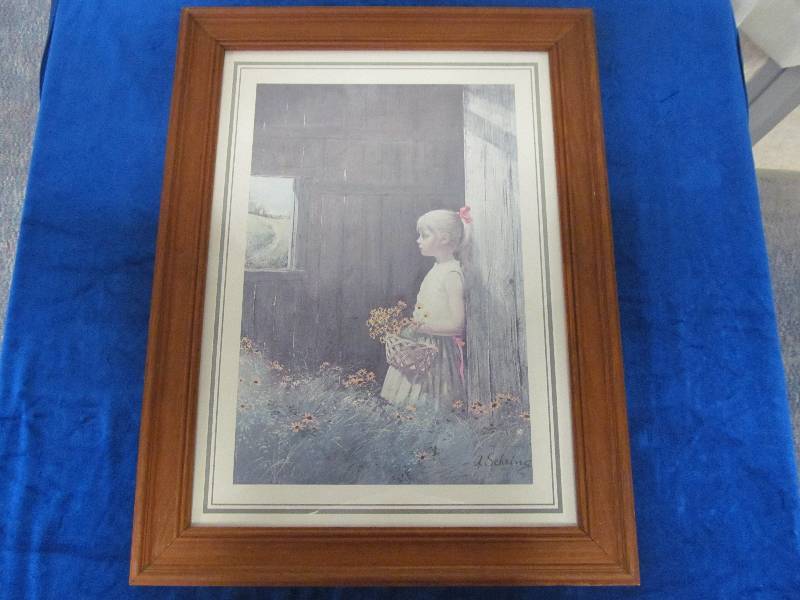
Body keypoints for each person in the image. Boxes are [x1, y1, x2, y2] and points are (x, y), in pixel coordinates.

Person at [380, 206, 472, 413]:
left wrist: (422, 327)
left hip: (437, 352)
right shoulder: (437, 268)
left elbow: (457, 325)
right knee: (407, 404)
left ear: (444, 238)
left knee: (430, 406)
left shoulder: (452, 274)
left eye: (424, 235)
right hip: (420, 347)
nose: (418, 240)